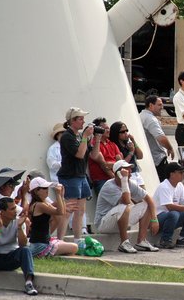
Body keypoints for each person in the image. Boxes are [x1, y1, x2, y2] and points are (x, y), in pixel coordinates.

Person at [94, 160, 160, 254]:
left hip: (119, 219)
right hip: (103, 224)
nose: (130, 173)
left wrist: (154, 219)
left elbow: (149, 199)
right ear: (119, 173)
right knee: (125, 206)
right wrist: (124, 180)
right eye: (127, 170)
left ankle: (141, 241)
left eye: (130, 170)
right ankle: (124, 242)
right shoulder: (109, 186)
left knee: (145, 205)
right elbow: (126, 200)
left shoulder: (129, 182)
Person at [57, 107, 101, 241]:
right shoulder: (67, 136)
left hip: (81, 176)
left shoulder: (80, 137)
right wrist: (85, 137)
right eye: (80, 119)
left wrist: (96, 139)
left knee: (80, 211)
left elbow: (94, 155)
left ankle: (77, 239)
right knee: (69, 209)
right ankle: (59, 240)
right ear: (72, 121)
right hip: (70, 176)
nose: (83, 122)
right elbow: (80, 154)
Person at [27, 177, 78, 258]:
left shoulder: (42, 203)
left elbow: (62, 211)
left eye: (47, 188)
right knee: (74, 247)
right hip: (40, 245)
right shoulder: (39, 205)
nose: (47, 190)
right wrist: (58, 195)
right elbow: (60, 212)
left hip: (43, 242)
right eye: (44, 188)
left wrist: (61, 195)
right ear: (36, 191)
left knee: (71, 246)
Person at [140, 95, 175, 181]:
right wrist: (170, 148)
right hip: (157, 160)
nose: (162, 107)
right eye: (159, 105)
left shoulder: (141, 115)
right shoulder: (150, 119)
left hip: (150, 158)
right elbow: (161, 138)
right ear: (151, 105)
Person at [88, 117, 123, 195]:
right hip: (102, 180)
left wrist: (112, 166)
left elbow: (120, 164)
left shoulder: (112, 144)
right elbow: (104, 166)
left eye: (108, 128)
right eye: (105, 128)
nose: (108, 130)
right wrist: (116, 179)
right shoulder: (93, 143)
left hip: (115, 179)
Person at [108, 121, 145, 187]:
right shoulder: (115, 146)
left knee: (143, 194)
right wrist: (131, 152)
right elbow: (122, 164)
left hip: (136, 172)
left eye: (126, 131)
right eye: (122, 132)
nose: (126, 133)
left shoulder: (128, 144)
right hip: (128, 174)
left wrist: (134, 141)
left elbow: (140, 156)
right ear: (116, 133)